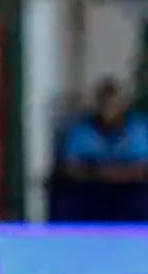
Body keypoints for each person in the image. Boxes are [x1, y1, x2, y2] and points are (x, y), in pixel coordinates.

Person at [52, 77, 148, 221]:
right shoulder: (81, 130)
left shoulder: (138, 127)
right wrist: (99, 173)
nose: (108, 110)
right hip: (91, 188)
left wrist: (115, 174)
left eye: (113, 104)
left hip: (129, 189)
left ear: (123, 105)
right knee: (65, 195)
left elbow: (142, 168)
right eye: (104, 104)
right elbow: (70, 167)